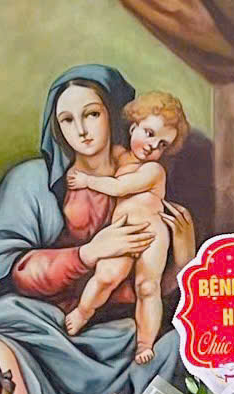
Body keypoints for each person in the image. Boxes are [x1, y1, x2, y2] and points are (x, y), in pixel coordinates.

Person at [0, 64, 191, 394]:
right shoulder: (31, 182)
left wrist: (184, 257)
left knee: (179, 349)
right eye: (67, 120)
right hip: (42, 333)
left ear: (114, 115)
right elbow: (9, 266)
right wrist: (87, 254)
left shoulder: (142, 179)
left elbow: (147, 287)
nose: (82, 130)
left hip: (120, 339)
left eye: (92, 114)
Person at [62, 89, 188, 360]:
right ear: (133, 127)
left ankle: (145, 343)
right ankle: (83, 312)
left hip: (152, 233)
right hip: (122, 230)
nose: (153, 146)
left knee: (147, 287)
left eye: (162, 144)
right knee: (106, 275)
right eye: (149, 133)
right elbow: (98, 153)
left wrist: (87, 181)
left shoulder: (154, 170)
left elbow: (120, 187)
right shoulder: (119, 156)